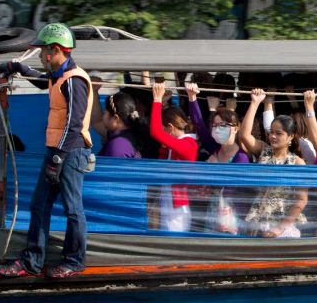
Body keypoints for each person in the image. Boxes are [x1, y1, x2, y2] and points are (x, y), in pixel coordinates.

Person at [0, 23, 94, 279]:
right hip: (57, 151)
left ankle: (74, 261)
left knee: (73, 208)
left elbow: (74, 124)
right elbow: (41, 81)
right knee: (39, 205)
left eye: (43, 52)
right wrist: (17, 67)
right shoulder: (58, 75)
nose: (40, 56)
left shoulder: (75, 81)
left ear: (56, 51)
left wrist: (58, 158)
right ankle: (32, 261)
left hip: (71, 152)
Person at [240, 89, 308, 238]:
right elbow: (244, 135)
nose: (272, 136)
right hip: (258, 220)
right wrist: (255, 102)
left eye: (279, 133)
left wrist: (279, 228)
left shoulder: (297, 162)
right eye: (271, 132)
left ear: (290, 137)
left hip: (283, 225)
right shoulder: (264, 150)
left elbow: (302, 200)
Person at [150, 82, 199, 232]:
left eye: (165, 128)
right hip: (167, 202)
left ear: (170, 128)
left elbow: (155, 131)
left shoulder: (188, 144)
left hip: (178, 210)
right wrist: (163, 103)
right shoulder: (175, 144)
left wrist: (157, 99)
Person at [185, 82, 249, 164]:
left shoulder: (241, 157)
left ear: (236, 128)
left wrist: (215, 165)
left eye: (223, 125)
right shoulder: (214, 147)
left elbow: (235, 177)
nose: (218, 129)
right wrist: (192, 96)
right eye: (215, 125)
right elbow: (198, 123)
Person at [92, 91, 144, 158]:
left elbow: (115, 168)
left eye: (105, 112)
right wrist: (94, 90)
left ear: (115, 118)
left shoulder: (118, 145)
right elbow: (97, 122)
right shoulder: (129, 133)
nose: (103, 116)